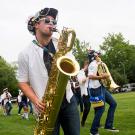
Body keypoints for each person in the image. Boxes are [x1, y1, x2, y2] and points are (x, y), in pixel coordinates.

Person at [17, 7, 80, 135]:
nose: (51, 24)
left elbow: (73, 65)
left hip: (68, 100)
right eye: (47, 20)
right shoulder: (25, 54)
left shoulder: (61, 44)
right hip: (46, 105)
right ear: (36, 24)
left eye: (54, 22)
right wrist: (35, 100)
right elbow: (22, 82)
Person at [88, 50, 119, 135]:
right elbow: (90, 76)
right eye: (98, 55)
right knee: (100, 109)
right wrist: (102, 76)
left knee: (113, 103)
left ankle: (108, 125)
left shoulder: (99, 64)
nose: (99, 56)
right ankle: (93, 131)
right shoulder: (93, 64)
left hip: (101, 87)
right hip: (95, 88)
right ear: (95, 56)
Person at [77, 60, 91, 127]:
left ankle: (96, 123)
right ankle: (83, 121)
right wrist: (88, 77)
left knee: (97, 107)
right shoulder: (80, 72)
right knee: (87, 108)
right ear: (86, 65)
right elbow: (81, 81)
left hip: (92, 91)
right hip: (85, 93)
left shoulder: (90, 71)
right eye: (88, 66)